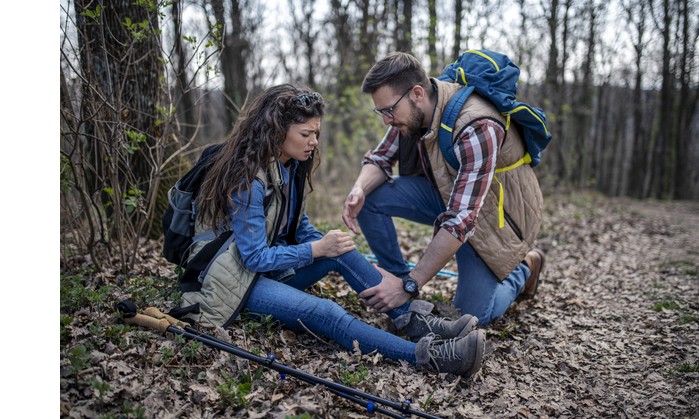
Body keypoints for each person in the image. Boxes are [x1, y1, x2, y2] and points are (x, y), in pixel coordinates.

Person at [178, 83, 486, 378]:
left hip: (264, 271)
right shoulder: (246, 179)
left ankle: (413, 320)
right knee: (326, 313)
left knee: (341, 248)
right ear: (276, 131)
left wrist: (351, 258)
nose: (314, 141)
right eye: (306, 133)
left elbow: (298, 226)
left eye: (316, 133)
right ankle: (431, 356)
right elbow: (254, 258)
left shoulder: (289, 164)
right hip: (231, 283)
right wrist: (317, 249)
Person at [342, 52, 546, 326]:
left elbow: (461, 220)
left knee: (472, 317)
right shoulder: (410, 111)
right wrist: (358, 188)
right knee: (369, 196)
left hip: (493, 216)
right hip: (450, 195)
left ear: (416, 93)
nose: (386, 120)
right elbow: (380, 158)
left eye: (388, 110)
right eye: (381, 112)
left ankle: (525, 268)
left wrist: (411, 285)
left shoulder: (477, 126)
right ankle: (397, 283)